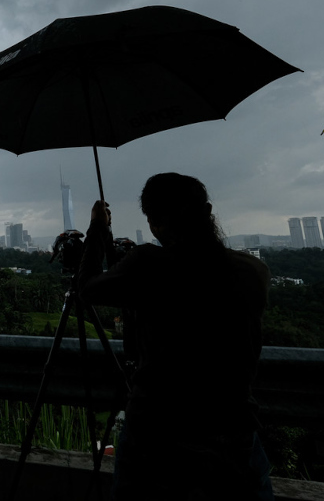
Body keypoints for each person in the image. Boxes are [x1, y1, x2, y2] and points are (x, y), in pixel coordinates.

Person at [78, 173, 273, 500]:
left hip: (156, 431)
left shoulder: (147, 266)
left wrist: (98, 228)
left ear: (154, 223)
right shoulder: (253, 272)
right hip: (234, 429)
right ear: (208, 211)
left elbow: (87, 289)